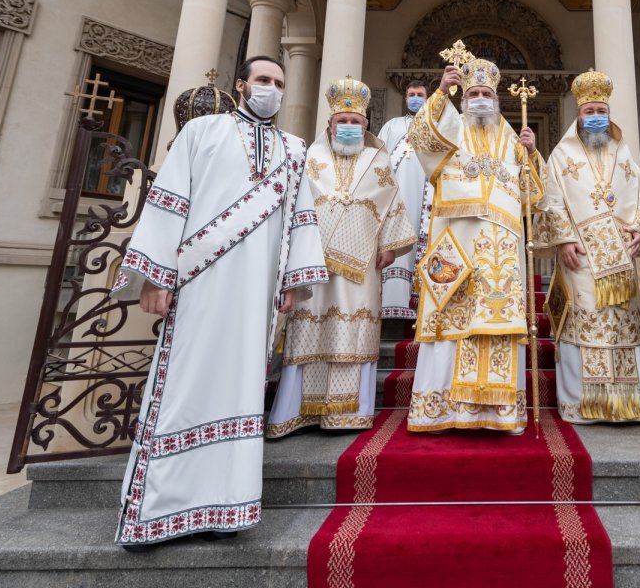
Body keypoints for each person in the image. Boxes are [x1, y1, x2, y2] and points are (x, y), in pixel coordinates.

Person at [112, 56, 328, 549]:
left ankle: (226, 505)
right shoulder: (201, 133)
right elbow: (168, 204)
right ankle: (158, 511)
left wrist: (293, 281)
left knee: (242, 388)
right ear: (242, 86)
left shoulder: (295, 150)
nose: (272, 89)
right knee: (183, 384)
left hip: (257, 294)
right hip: (199, 285)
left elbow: (302, 219)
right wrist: (156, 277)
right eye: (263, 80)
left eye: (279, 83)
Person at [268, 77, 417, 437]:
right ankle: (297, 412)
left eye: (355, 121)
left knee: (353, 331)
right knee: (309, 330)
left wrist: (390, 247)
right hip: (313, 261)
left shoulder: (379, 160)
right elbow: (294, 207)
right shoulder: (310, 158)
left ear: (366, 125)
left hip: (362, 266)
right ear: (329, 124)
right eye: (342, 121)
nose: (349, 126)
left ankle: (349, 413)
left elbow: (392, 206)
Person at [405, 56, 544, 433]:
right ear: (464, 99)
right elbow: (420, 137)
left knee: (495, 323)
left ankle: (498, 414)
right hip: (458, 241)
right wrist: (441, 91)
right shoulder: (452, 125)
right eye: (474, 94)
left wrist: (531, 155)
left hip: (502, 248)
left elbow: (532, 196)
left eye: (486, 94)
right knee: (454, 321)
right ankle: (445, 411)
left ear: (496, 100)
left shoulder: (511, 137)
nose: (480, 99)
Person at [534, 69, 640, 424]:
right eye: (588, 112)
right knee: (584, 323)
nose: (595, 117)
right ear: (578, 115)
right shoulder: (562, 154)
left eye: (600, 111)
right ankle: (584, 406)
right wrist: (564, 239)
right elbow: (551, 200)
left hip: (620, 255)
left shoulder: (623, 151)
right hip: (581, 255)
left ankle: (630, 405)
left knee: (621, 325)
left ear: (608, 113)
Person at [376, 80, 433, 324]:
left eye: (420, 94)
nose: (415, 98)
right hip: (396, 200)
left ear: (427, 98)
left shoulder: (435, 126)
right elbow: (379, 161)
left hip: (427, 199)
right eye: (411, 94)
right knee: (398, 246)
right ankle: (393, 309)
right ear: (405, 97)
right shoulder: (392, 126)